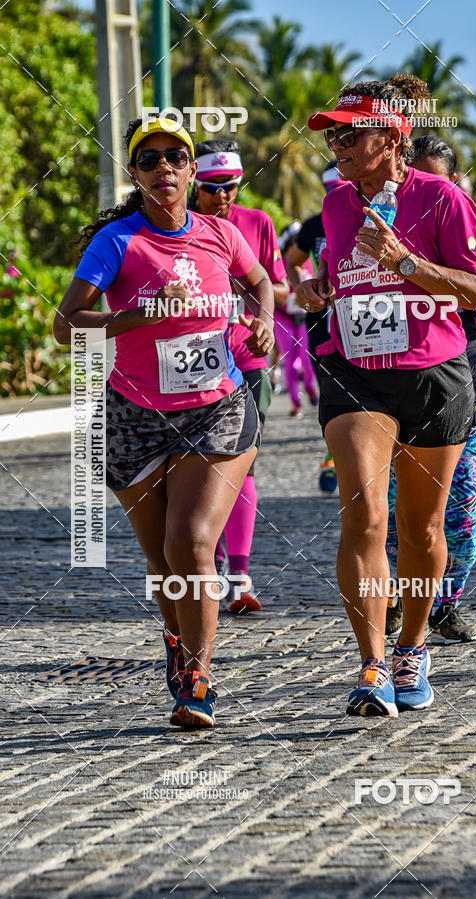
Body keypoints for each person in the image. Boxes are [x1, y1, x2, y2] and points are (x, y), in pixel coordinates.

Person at [53, 117, 274, 728]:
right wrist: (138, 316)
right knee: (161, 561)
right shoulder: (117, 243)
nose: (164, 169)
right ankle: (177, 642)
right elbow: (66, 326)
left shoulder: (220, 234)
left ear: (192, 167)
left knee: (192, 544)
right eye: (148, 160)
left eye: (176, 156)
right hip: (134, 416)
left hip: (217, 409)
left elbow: (258, 281)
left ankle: (198, 678)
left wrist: (260, 319)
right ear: (135, 174)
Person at [300, 76, 476, 716]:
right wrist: (317, 289)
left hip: (434, 376)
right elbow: (337, 272)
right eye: (332, 136)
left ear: (391, 136)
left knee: (421, 527)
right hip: (356, 373)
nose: (337, 145)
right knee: (364, 515)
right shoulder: (335, 205)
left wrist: (406, 262)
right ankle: (371, 662)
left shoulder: (440, 198)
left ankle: (413, 646)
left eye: (350, 133)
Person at [385, 138, 476, 644]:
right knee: (390, 508)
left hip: (462, 382)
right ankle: (394, 601)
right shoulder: (377, 220)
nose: (423, 190)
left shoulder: (471, 222)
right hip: (390, 383)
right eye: (413, 178)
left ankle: (446, 601)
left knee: (462, 506)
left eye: (436, 181)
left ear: (452, 184)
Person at [189, 139, 288, 612]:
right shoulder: (178, 227)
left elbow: (277, 283)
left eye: (230, 186)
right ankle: (208, 566)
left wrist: (263, 317)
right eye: (212, 188)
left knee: (242, 460)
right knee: (199, 468)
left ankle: (240, 575)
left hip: (247, 359)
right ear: (195, 184)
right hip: (191, 364)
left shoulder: (258, 223)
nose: (222, 196)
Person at [285, 161, 345, 491]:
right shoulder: (313, 225)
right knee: (332, 391)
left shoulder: (376, 218)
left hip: (363, 318)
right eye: (332, 191)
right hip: (321, 320)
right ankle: (334, 457)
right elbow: (292, 260)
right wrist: (304, 286)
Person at [276, 222, 319, 417]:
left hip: (304, 316)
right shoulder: (277, 262)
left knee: (307, 359)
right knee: (291, 361)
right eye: (293, 241)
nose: (297, 245)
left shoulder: (306, 259)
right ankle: (296, 403)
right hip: (283, 317)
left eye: (299, 241)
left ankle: (310, 387)